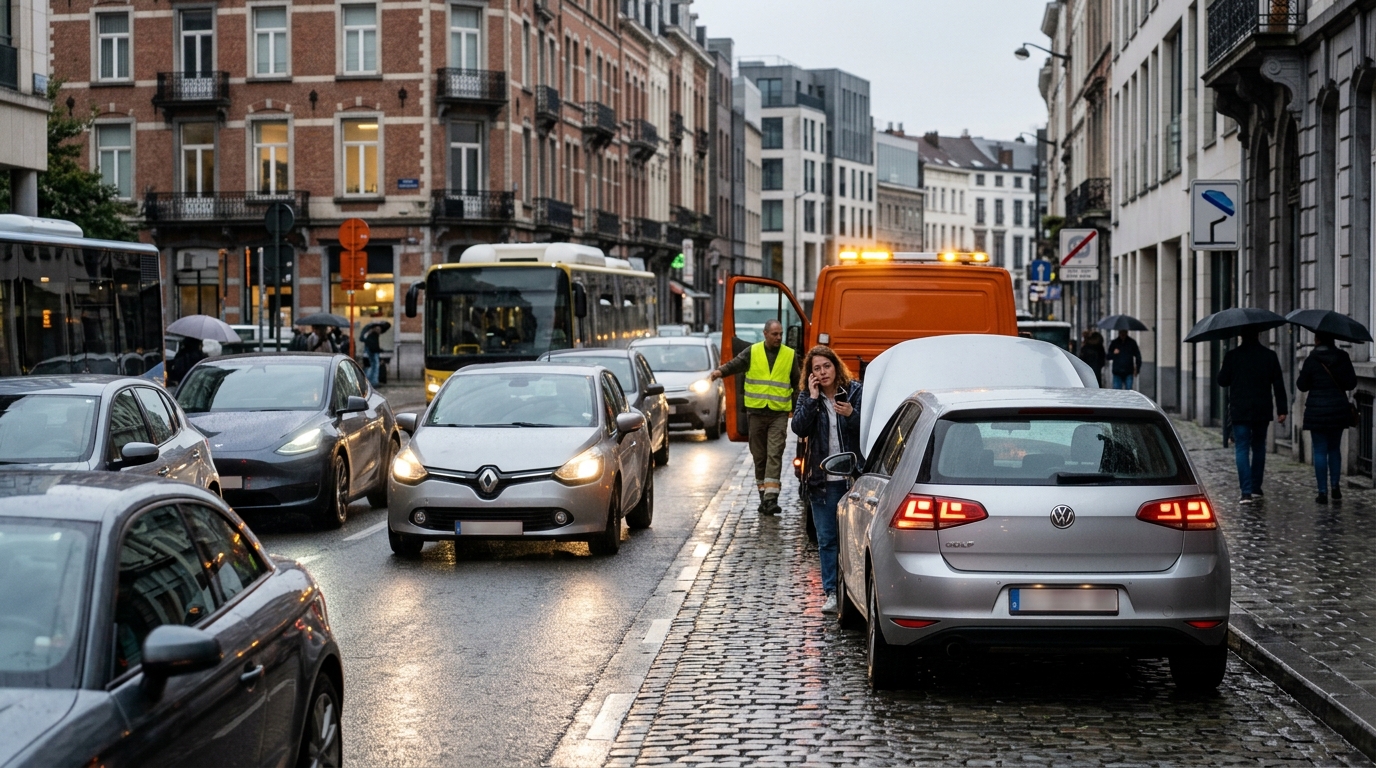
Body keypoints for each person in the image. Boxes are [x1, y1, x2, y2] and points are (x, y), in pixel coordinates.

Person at [791, 345, 862, 614]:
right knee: (827, 540)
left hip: (852, 479)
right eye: (816, 369)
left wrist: (851, 415)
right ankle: (831, 592)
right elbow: (798, 427)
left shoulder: (854, 392)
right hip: (822, 481)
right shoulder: (808, 397)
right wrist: (811, 398)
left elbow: (871, 427)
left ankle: (855, 592)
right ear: (810, 375)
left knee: (854, 541)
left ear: (836, 366)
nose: (822, 372)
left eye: (826, 366)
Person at [709, 319, 800, 516]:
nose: (778, 337)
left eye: (780, 334)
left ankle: (770, 498)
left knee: (774, 454)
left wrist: (798, 408)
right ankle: (763, 496)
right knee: (760, 457)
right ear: (765, 333)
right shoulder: (753, 351)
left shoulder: (789, 355)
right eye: (775, 334)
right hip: (756, 413)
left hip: (778, 413)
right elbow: (736, 364)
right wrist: (719, 372)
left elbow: (796, 384)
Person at [1218, 329, 1289, 504]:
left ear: (1241, 336)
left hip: (1240, 410)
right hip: (1261, 409)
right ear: (1258, 335)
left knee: (1242, 448)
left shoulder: (1233, 356)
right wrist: (1282, 409)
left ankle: (1246, 492)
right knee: (1258, 447)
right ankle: (1256, 487)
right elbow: (1278, 384)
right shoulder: (1269, 355)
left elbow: (1222, 380)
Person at [1297, 333, 1358, 504]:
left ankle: (1322, 492)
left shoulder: (1311, 359)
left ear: (1317, 340)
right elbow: (1351, 383)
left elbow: (1301, 385)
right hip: (1337, 410)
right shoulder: (1343, 357)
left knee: (1319, 451)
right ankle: (1336, 487)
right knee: (1334, 449)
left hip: (1317, 411)